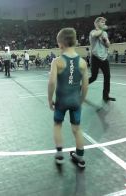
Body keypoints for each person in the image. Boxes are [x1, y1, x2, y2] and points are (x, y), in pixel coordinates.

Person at [48, 28, 88, 168]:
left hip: (61, 101)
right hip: (75, 101)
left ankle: (59, 154)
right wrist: (81, 101)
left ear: (60, 44)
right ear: (76, 42)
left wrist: (49, 100)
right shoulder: (83, 62)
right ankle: (80, 157)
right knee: (77, 128)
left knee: (58, 125)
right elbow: (85, 86)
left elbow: (52, 82)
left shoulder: (57, 61)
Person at [88, 17, 116, 102]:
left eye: (104, 22)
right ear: (96, 24)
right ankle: (80, 87)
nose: (104, 23)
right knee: (93, 77)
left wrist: (105, 41)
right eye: (102, 22)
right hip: (95, 57)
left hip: (104, 57)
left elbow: (108, 45)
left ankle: (106, 96)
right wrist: (102, 30)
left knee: (107, 76)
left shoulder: (104, 33)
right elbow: (95, 35)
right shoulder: (93, 32)